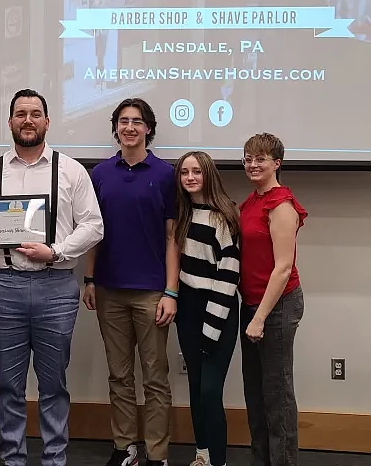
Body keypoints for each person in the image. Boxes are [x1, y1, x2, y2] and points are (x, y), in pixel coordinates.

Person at [0, 88, 104, 466]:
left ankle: (55, 460)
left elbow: (94, 225)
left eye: (35, 113)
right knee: (9, 386)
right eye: (20, 114)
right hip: (3, 288)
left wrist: (57, 251)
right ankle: (13, 459)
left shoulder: (71, 171)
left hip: (56, 288)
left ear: (47, 122)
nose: (28, 120)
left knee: (54, 385)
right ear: (10, 122)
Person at [84, 98, 177, 466]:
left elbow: (173, 237)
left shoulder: (167, 174)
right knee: (119, 376)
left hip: (152, 291)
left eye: (137, 121)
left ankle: (157, 453)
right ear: (116, 128)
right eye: (123, 121)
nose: (130, 127)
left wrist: (171, 291)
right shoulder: (100, 174)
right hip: (109, 289)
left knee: (155, 377)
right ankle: (125, 448)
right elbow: (91, 233)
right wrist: (89, 279)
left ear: (148, 129)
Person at [239, 133, 307, 466]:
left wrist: (260, 317)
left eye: (260, 159)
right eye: (248, 158)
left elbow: (283, 269)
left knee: (277, 396)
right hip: (251, 305)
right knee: (255, 393)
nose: (252, 164)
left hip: (275, 309)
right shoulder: (252, 200)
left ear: (276, 163)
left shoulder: (281, 204)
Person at [175, 151, 240, 466]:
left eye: (196, 172)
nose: (190, 177)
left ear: (208, 175)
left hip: (218, 310)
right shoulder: (183, 215)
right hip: (189, 309)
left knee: (210, 392)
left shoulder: (224, 217)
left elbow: (228, 276)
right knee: (196, 387)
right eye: (184, 172)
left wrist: (211, 330)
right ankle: (201, 454)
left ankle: (218, 460)